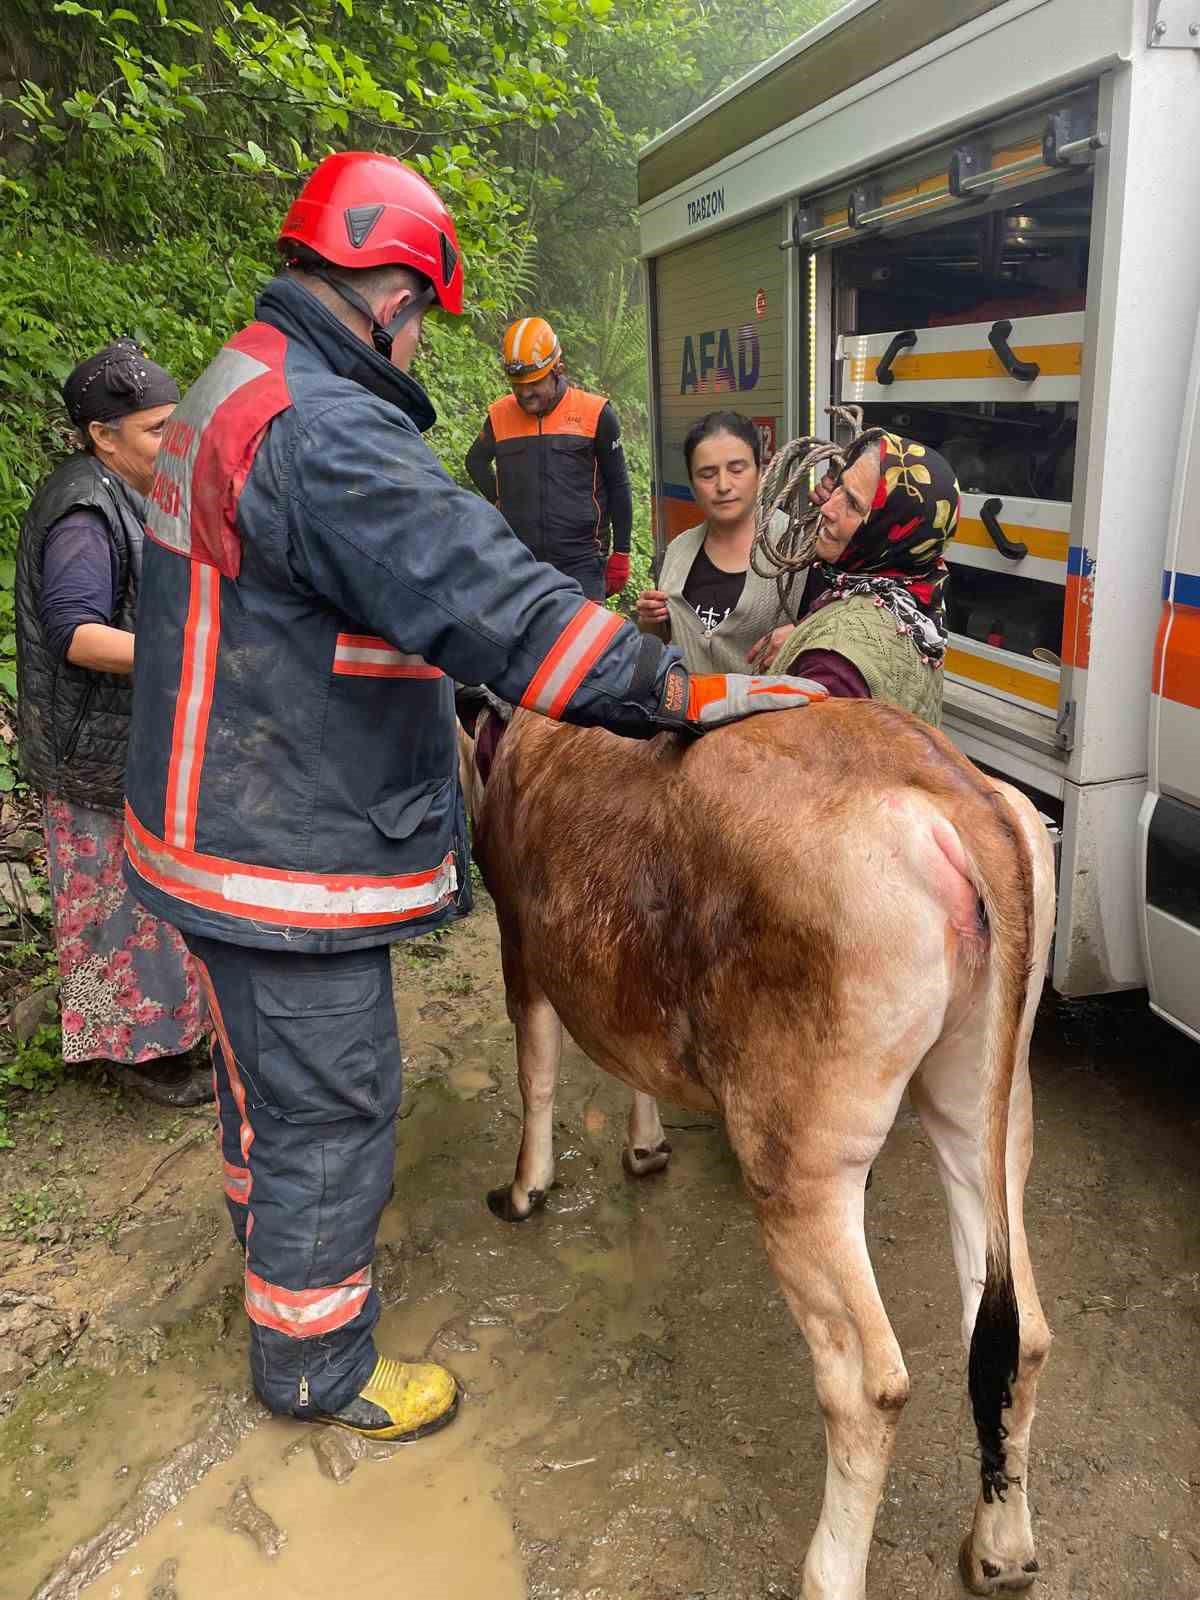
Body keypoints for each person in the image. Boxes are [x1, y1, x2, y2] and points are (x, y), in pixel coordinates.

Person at [121, 151, 826, 1445]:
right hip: (277, 839)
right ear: (390, 287)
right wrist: (684, 698)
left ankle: (270, 1243)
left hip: (204, 817)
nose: (424, 335)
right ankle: (316, 1363)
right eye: (423, 311)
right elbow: (498, 610)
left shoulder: (239, 381)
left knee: (266, 1077)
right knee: (333, 1098)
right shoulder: (326, 433)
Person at [14, 341, 212, 1108]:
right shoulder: (84, 506)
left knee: (145, 903)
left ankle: (160, 1037)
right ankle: (138, 1056)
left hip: (124, 739)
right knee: (113, 911)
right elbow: (77, 632)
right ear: (103, 434)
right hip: (90, 753)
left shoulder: (127, 490)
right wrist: (190, 653)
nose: (174, 444)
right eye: (159, 430)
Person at [752, 429, 960, 727]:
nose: (827, 508)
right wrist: (805, 631)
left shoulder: (833, 667)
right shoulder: (917, 596)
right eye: (840, 487)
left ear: (888, 531)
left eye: (853, 504)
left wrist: (812, 648)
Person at [635, 411, 823, 676]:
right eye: (707, 474)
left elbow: (842, 626)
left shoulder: (799, 550)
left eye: (736, 469)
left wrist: (804, 634)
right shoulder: (676, 553)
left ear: (761, 473)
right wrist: (651, 623)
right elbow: (665, 642)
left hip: (771, 714)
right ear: (692, 485)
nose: (723, 485)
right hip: (687, 713)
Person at [464, 316, 633, 603]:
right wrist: (499, 498)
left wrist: (622, 552)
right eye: (517, 385)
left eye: (533, 383)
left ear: (558, 370)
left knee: (584, 647)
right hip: (520, 562)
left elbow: (618, 485)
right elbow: (475, 462)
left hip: (582, 563)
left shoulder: (596, 414)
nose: (525, 393)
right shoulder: (500, 416)